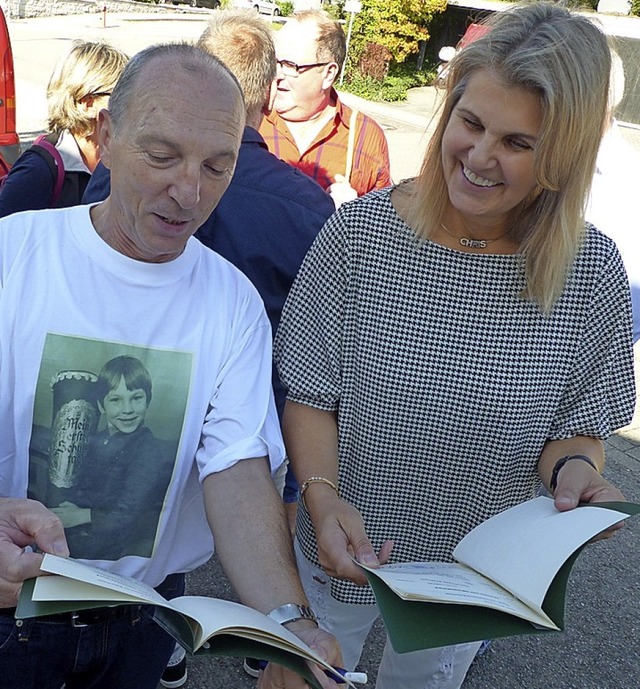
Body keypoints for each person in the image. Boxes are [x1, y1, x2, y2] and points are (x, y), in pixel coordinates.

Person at [274, 4, 636, 689]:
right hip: (340, 545)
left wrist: (574, 476)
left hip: (471, 575)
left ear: (563, 155)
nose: (478, 157)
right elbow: (311, 395)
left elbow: (573, 431)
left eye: (518, 143)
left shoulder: (590, 271)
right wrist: (320, 500)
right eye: (470, 123)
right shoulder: (359, 239)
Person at [0, 42, 342, 689]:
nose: (188, 191)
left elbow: (237, 467)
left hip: (142, 619)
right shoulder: (14, 255)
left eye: (217, 167)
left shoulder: (231, 299)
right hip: (10, 613)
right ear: (106, 133)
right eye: (162, 156)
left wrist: (287, 621)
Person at [258, 9, 391, 207]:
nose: (277, 75)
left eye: (290, 65)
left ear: (329, 74)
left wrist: (355, 214)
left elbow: (384, 223)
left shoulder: (365, 137)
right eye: (274, 62)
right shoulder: (250, 118)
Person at [50, 356, 176, 561]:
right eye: (115, 399)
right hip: (76, 534)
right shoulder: (97, 440)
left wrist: (80, 516)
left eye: (136, 398)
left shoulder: (147, 449)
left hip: (110, 548)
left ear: (148, 400)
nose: (127, 409)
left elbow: (128, 513)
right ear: (101, 406)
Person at [0, 40, 128, 216]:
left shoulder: (119, 159)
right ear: (87, 103)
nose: (130, 103)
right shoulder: (37, 170)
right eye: (120, 95)